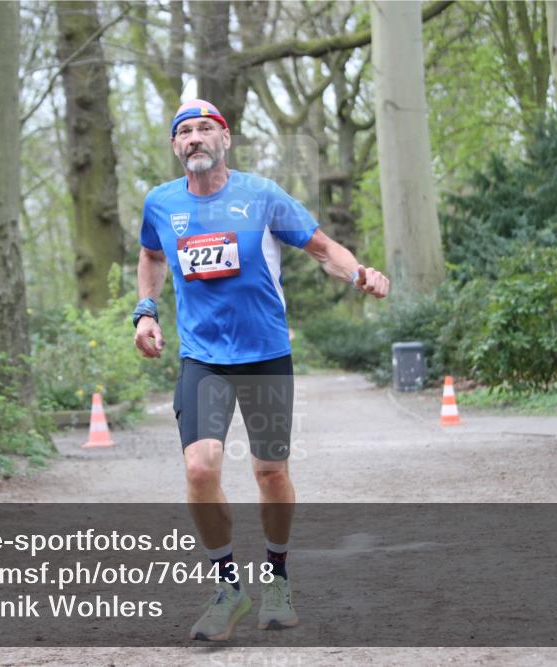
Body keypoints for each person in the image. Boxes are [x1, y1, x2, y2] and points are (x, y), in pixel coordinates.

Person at [133, 99, 389, 641]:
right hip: (203, 358)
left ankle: (276, 577)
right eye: (185, 132)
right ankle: (228, 588)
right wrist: (146, 312)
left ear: (225, 138)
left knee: (270, 473)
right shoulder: (161, 203)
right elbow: (152, 256)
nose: (195, 138)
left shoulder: (262, 195)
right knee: (200, 468)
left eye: (206, 128)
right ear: (176, 146)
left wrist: (358, 272)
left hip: (266, 354)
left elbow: (321, 249)